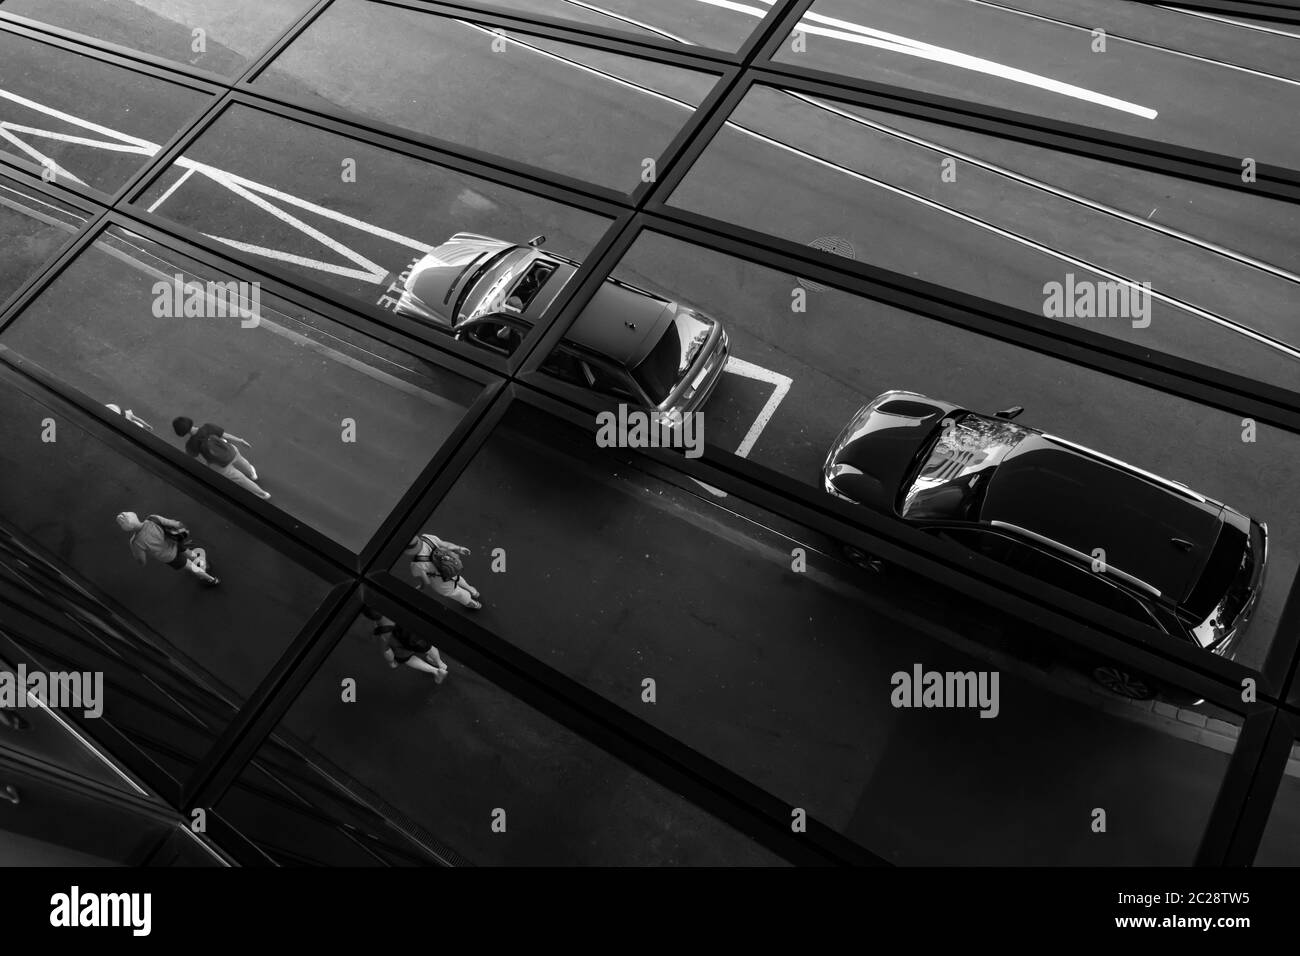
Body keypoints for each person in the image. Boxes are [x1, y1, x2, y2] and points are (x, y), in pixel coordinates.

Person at [171, 416, 270, 500]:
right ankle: (252, 474)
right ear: (189, 421)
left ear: (181, 433)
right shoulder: (207, 427)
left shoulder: (190, 445)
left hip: (220, 465)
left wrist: (208, 464)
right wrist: (240, 440)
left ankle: (262, 494)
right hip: (230, 451)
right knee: (242, 462)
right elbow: (225, 435)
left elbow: (195, 459)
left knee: (241, 479)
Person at [115, 511, 219, 586]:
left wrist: (141, 561)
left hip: (168, 557)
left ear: (125, 528)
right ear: (134, 516)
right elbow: (174, 524)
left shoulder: (135, 542)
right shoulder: (152, 519)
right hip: (174, 542)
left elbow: (141, 560)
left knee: (190, 567)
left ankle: (211, 580)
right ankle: (203, 564)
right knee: (190, 553)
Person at [360, 608, 448, 682]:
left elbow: (387, 652)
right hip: (415, 635)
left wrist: (392, 662)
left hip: (399, 645)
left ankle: (436, 671)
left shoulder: (382, 632)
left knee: (406, 659)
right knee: (428, 647)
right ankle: (440, 663)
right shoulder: (393, 607)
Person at [405, 533, 481, 609]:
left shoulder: (416, 564)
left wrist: (421, 587)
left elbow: (426, 581)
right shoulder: (427, 538)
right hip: (450, 567)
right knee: (458, 578)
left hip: (440, 581)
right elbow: (445, 544)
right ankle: (473, 591)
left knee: (455, 592)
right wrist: (459, 548)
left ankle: (471, 602)